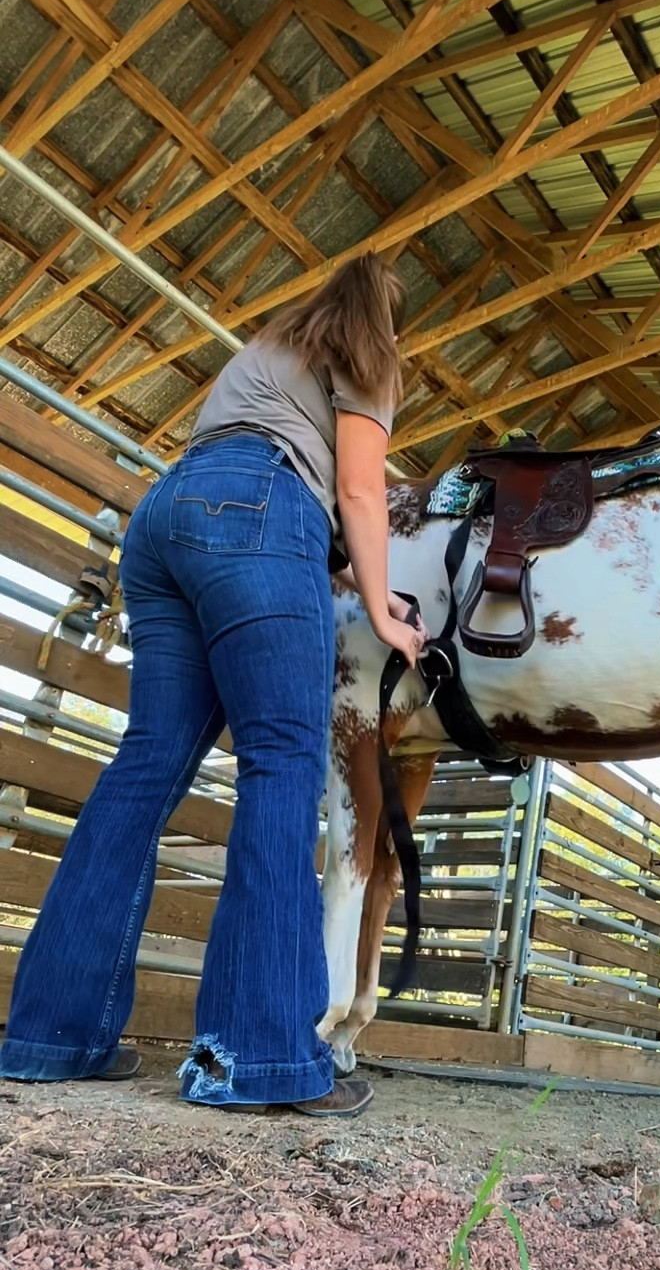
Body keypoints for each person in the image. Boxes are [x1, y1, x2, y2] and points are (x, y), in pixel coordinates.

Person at [0, 253, 423, 1117]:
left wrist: (344, 570)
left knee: (146, 764)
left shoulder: (271, 347)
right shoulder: (369, 353)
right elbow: (357, 490)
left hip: (166, 518)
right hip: (262, 511)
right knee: (282, 762)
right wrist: (386, 613)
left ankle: (50, 1036)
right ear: (386, 319)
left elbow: (243, 480)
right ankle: (258, 1057)